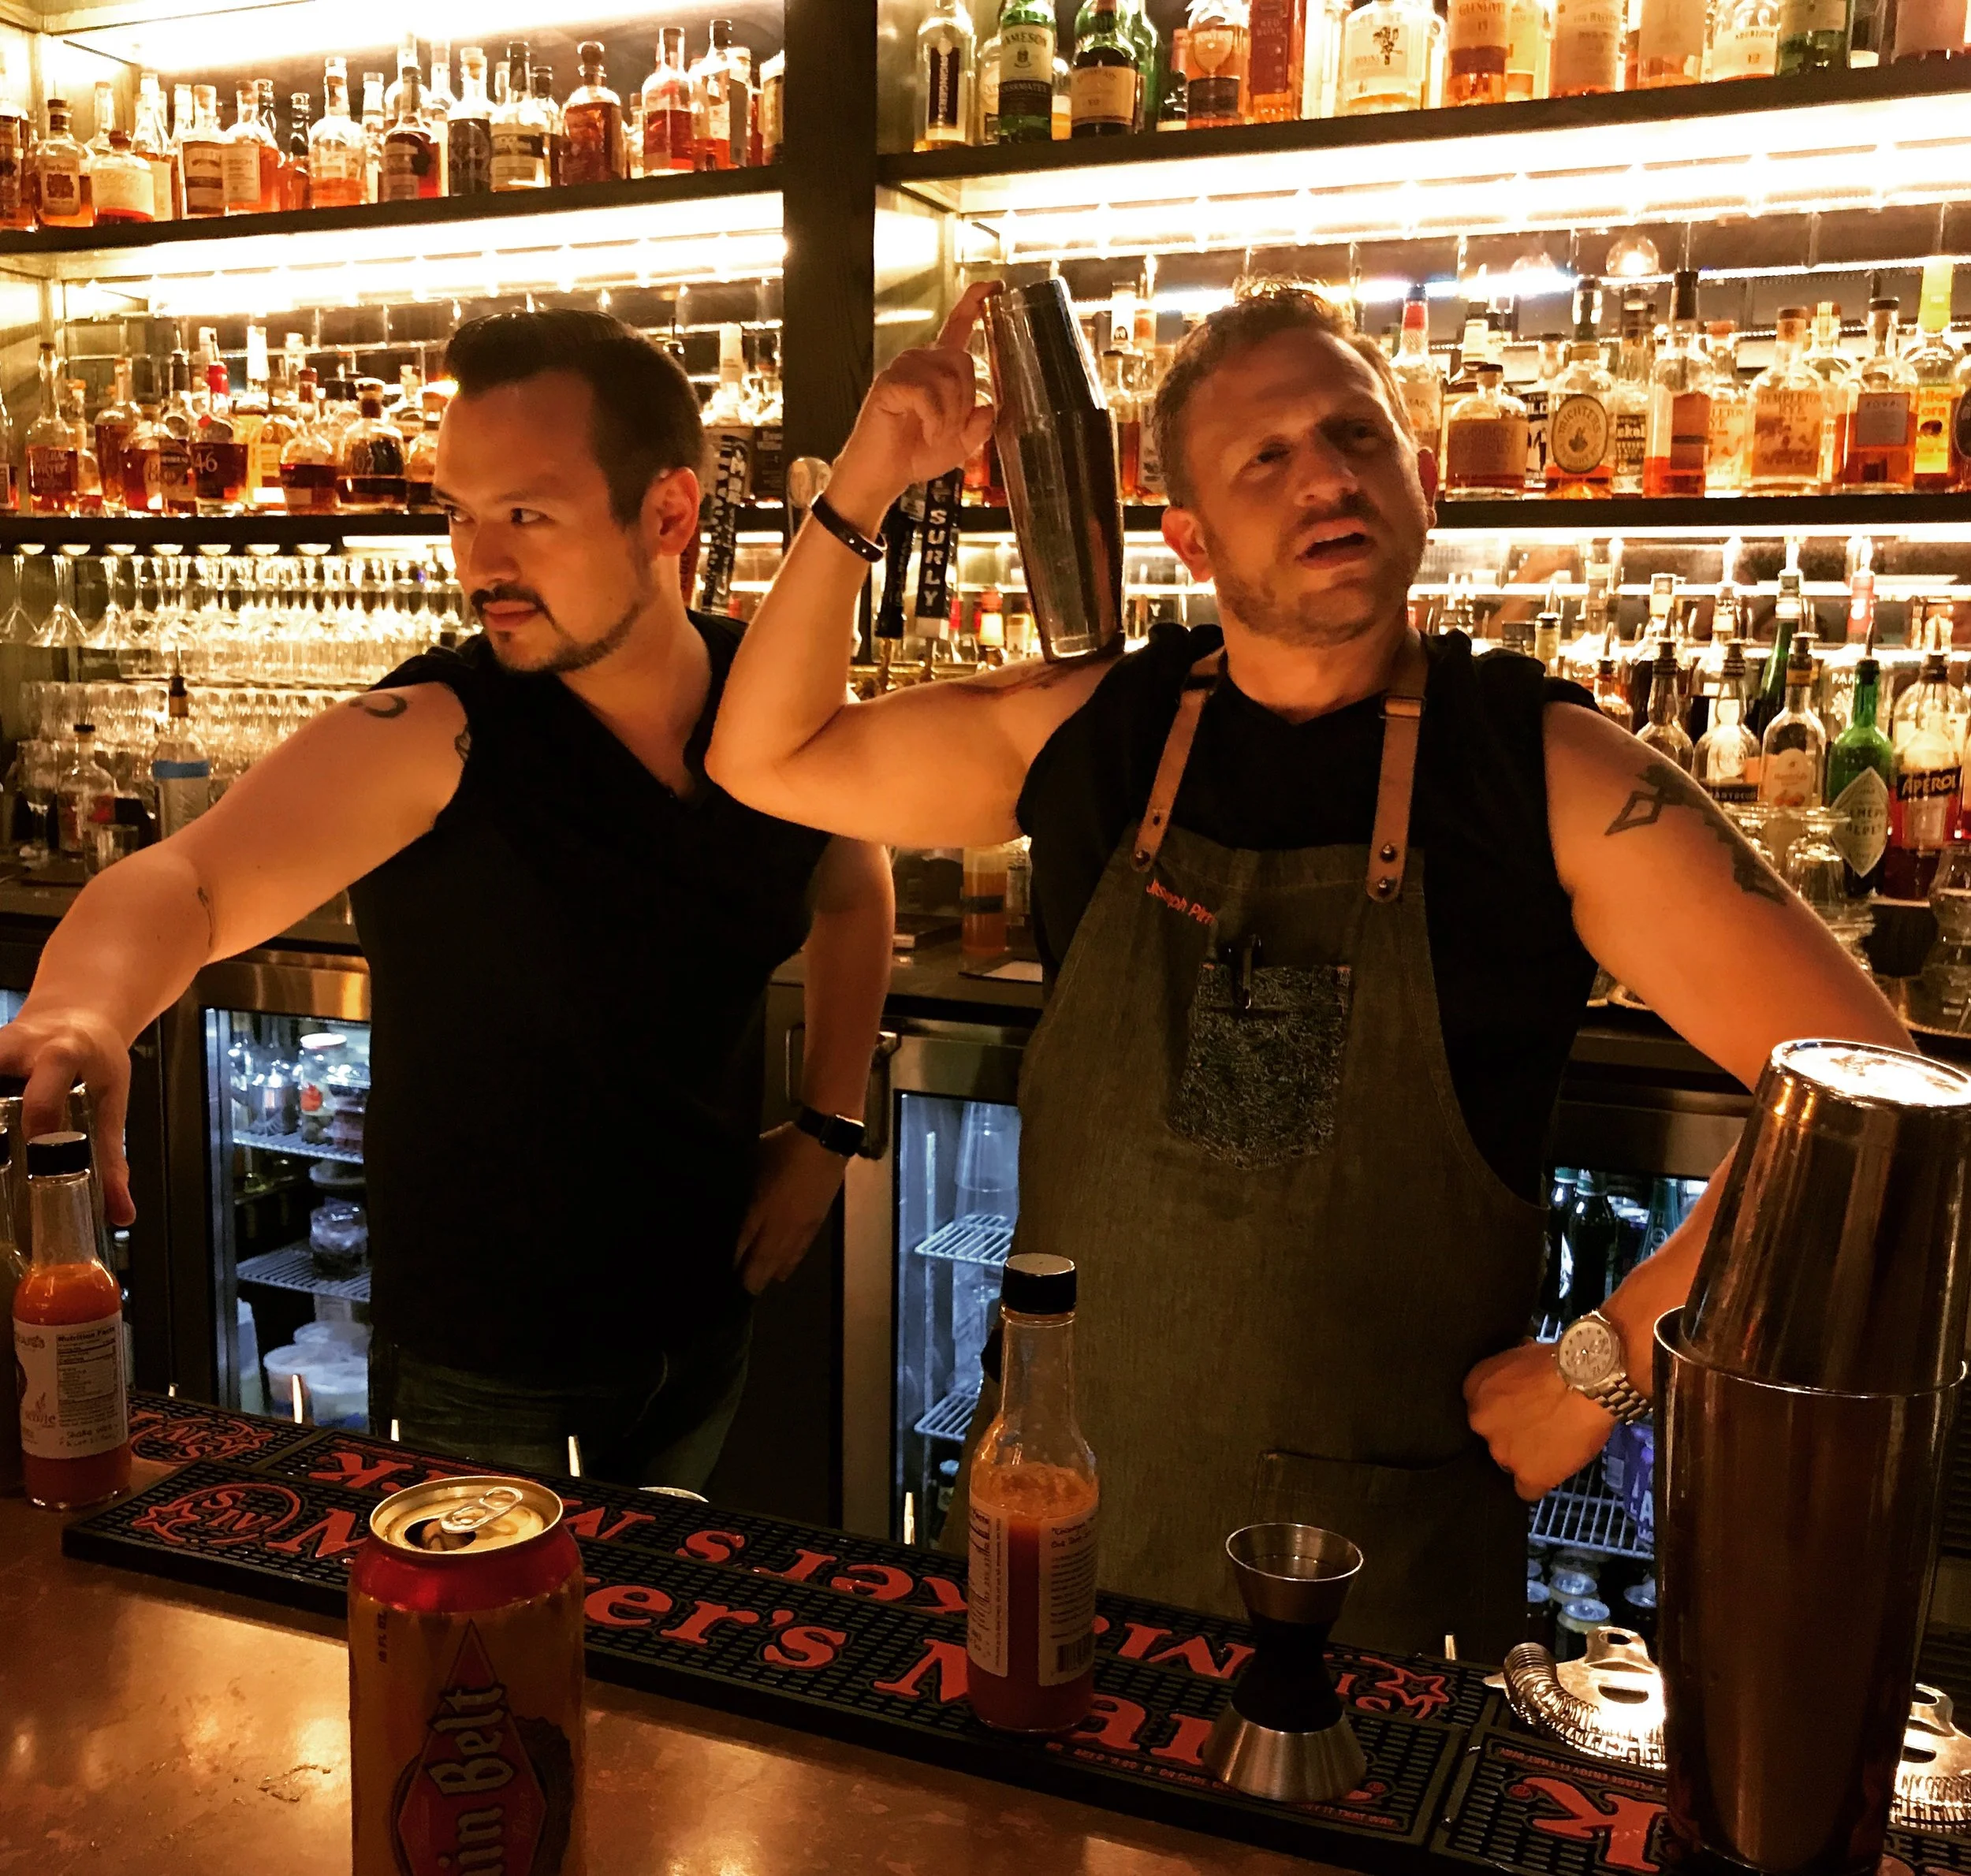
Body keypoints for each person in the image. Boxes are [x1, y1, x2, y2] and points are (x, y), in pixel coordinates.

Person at [706, 281, 1909, 1656]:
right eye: (1264, 459)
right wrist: (868, 476)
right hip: (1056, 1519)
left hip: (1372, 1582)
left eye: (1356, 435)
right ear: (1190, 539)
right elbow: (766, 756)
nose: (1326, 476)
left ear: (1426, 482)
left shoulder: (1545, 772)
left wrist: (1616, 1357)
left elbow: (1874, 1092)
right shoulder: (1101, 727)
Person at [0, 310, 894, 1491]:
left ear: (669, 513)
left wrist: (829, 1135)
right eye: (460, 515)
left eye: (525, 515)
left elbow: (854, 883)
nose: (477, 562)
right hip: (492, 1363)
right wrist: (80, 1012)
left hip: (706, 1317)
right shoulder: (437, 732)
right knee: (478, 1666)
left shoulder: (767, 715)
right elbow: (192, 880)